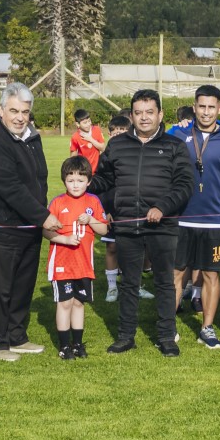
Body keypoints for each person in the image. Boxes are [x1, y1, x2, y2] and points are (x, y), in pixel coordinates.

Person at [89, 89, 194, 357]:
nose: (144, 117)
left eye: (149, 112)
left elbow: (185, 185)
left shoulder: (174, 146)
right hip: (127, 226)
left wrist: (163, 207)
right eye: (138, 113)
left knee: (164, 282)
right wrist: (86, 184)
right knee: (128, 283)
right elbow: (105, 180)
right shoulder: (117, 145)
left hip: (162, 227)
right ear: (131, 116)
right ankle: (126, 336)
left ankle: (166, 336)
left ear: (160, 114)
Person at [0, 83, 55, 360]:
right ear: (1, 110)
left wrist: (38, 216)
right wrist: (44, 217)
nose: (20, 117)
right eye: (14, 111)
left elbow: (39, 178)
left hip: (26, 227)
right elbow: (11, 189)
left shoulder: (32, 136)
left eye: (25, 112)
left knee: (22, 286)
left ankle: (16, 336)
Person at [167, 84, 220, 349]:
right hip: (180, 218)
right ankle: (168, 326)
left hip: (213, 220)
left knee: (212, 274)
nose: (206, 112)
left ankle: (207, 328)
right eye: (201, 106)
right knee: (176, 273)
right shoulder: (176, 134)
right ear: (194, 107)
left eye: (211, 107)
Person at [45, 155, 109, 360]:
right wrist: (64, 240)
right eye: (70, 180)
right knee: (65, 303)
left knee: (79, 303)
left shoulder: (93, 201)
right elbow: (45, 231)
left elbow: (104, 230)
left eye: (80, 180)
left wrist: (90, 220)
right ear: (64, 180)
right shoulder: (57, 202)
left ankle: (78, 344)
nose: (75, 185)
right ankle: (64, 346)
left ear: (88, 181)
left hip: (84, 265)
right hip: (62, 265)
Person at [101, 113, 132, 300]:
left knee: (132, 249)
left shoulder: (136, 154)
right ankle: (112, 287)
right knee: (112, 247)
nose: (119, 134)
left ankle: (135, 285)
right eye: (115, 131)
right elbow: (101, 186)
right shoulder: (104, 157)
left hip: (132, 211)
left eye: (123, 131)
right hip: (112, 211)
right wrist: (105, 211)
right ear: (109, 134)